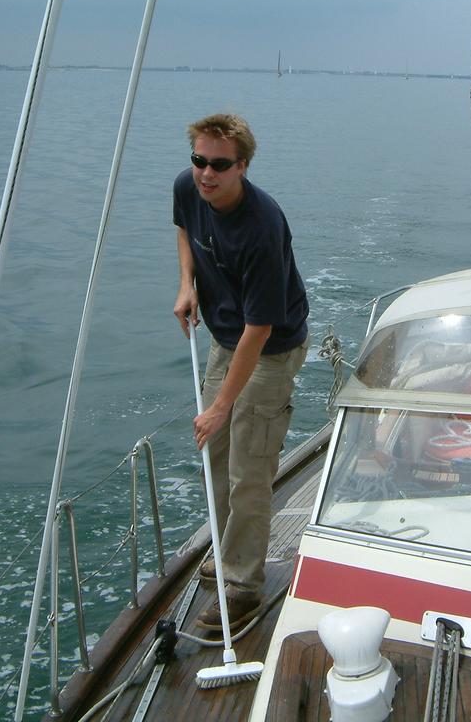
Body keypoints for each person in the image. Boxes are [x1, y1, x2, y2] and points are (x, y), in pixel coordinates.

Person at [172, 113, 309, 631]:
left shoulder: (261, 227)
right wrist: (187, 284)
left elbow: (261, 328)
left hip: (269, 348)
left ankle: (243, 584)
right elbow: (185, 227)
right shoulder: (190, 186)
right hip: (224, 337)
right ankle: (231, 555)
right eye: (199, 160)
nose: (206, 173)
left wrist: (222, 405)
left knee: (248, 470)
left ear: (243, 167)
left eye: (219, 165)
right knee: (217, 457)